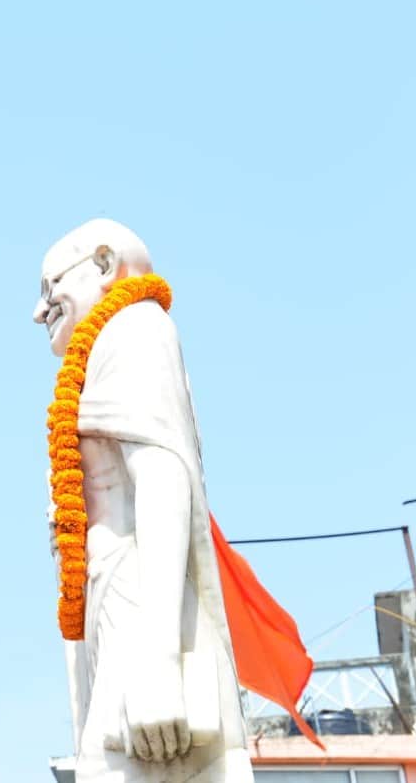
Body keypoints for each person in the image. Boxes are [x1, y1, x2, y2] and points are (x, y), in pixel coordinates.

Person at [32, 219, 252, 782]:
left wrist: (157, 661)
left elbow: (161, 478)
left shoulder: (133, 327)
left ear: (104, 266)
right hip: (116, 603)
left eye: (49, 287)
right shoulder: (106, 345)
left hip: (144, 606)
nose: (40, 311)